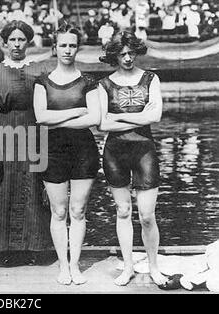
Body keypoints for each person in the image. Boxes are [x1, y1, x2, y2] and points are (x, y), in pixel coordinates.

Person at [97, 31, 168, 286]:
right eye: (121, 53)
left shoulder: (151, 79)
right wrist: (138, 116)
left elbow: (155, 117)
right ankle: (127, 267)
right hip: (115, 152)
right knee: (123, 210)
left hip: (144, 151)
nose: (127, 58)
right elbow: (102, 124)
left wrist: (119, 117)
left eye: (131, 53)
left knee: (147, 215)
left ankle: (154, 266)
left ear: (137, 52)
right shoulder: (104, 84)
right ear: (114, 55)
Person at [33, 22, 100, 285]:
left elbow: (94, 118)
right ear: (55, 48)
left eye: (72, 45)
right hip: (52, 152)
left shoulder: (88, 81)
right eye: (63, 45)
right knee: (59, 211)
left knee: (78, 209)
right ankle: (63, 265)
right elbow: (40, 117)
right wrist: (76, 111)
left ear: (78, 48)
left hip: (83, 151)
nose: (68, 50)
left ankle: (75, 265)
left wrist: (55, 120)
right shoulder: (43, 82)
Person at [0, 20, 52, 266]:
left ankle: (36, 247)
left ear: (28, 42)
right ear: (4, 42)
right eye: (12, 39)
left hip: (34, 129)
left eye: (21, 39)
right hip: (5, 131)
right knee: (6, 186)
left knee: (34, 184)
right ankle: (4, 249)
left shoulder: (40, 70)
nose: (16, 44)